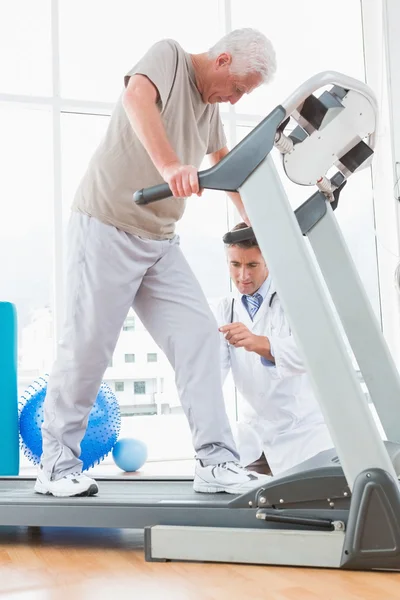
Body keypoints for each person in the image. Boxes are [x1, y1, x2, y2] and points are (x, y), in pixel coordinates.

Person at [34, 29, 278, 497]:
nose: (233, 100)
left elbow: (223, 163)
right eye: (239, 88)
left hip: (160, 240)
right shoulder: (169, 57)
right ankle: (56, 467)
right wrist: (169, 167)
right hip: (106, 224)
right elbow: (136, 98)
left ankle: (215, 460)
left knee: (200, 340)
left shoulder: (208, 107)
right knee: (87, 349)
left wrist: (257, 219)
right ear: (223, 60)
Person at [217, 222, 334, 476]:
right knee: (249, 509)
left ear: (268, 261)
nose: (243, 276)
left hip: (303, 435)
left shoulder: (293, 299)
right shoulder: (226, 308)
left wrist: (263, 343)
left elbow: (315, 353)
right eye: (235, 265)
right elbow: (213, 373)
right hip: (254, 439)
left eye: (252, 265)